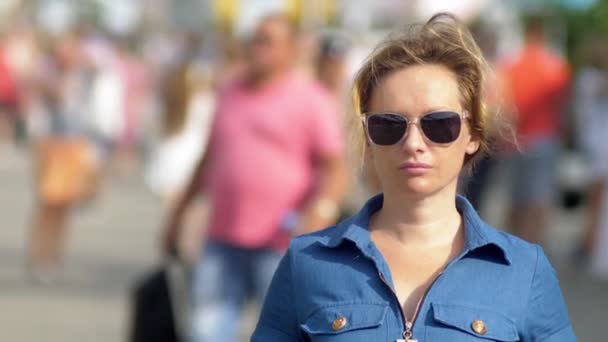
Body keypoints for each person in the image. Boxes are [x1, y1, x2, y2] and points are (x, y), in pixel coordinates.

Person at [252, 13, 575, 341]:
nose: (413, 143)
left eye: (439, 124)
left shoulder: (523, 268)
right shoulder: (307, 261)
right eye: (389, 125)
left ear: (473, 134)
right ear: (368, 137)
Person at [162, 14, 347, 341]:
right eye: (255, 39)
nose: (257, 47)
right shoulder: (230, 91)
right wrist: (178, 215)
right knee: (206, 331)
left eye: (268, 41)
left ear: (290, 50)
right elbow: (209, 159)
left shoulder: (310, 99)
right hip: (222, 238)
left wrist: (320, 212)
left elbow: (333, 166)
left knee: (279, 333)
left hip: (279, 242)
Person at [501, 16, 571, 244]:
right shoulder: (556, 66)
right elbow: (563, 105)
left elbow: (501, 103)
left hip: (514, 140)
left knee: (516, 199)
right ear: (543, 35)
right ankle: (533, 249)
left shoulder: (510, 65)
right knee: (539, 199)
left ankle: (513, 247)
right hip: (544, 138)